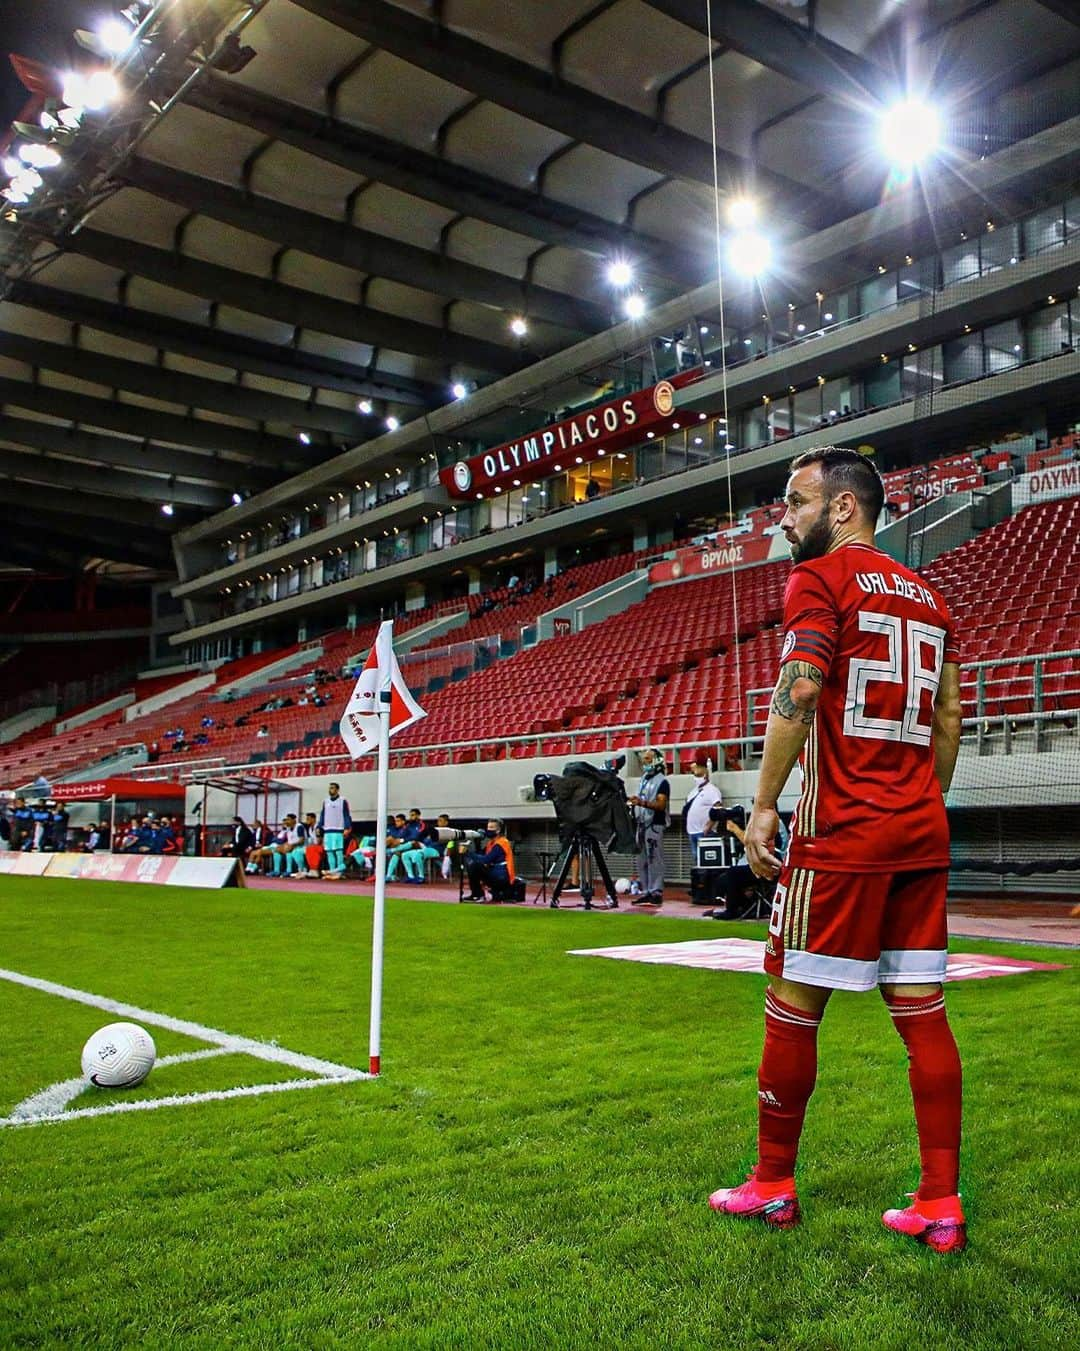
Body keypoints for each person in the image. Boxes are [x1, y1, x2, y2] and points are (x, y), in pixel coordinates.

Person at [708, 446, 966, 1254]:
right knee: (924, 1016)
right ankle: (940, 1201)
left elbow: (803, 687)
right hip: (920, 831)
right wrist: (920, 803)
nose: (784, 518)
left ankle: (773, 1184)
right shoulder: (930, 595)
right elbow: (951, 721)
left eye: (795, 502)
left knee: (791, 1003)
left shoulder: (818, 580)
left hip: (841, 836)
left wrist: (759, 805)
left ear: (843, 507)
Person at [627, 748, 670, 905]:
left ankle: (656, 891)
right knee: (642, 860)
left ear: (656, 760)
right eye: (644, 759)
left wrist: (642, 803)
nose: (644, 762)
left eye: (648, 759)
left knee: (654, 858)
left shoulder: (662, 781)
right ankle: (646, 890)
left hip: (655, 824)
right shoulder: (644, 779)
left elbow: (661, 804)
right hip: (642, 823)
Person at [683, 749, 723, 895]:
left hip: (704, 832)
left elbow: (718, 809)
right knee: (698, 863)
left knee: (707, 864)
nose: (695, 777)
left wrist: (709, 825)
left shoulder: (712, 790)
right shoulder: (693, 791)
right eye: (694, 774)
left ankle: (709, 891)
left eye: (697, 774)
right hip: (693, 832)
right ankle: (700, 888)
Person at [465, 820, 516, 902]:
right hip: (495, 873)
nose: (488, 830)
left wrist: (468, 853)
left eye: (491, 827)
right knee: (473, 864)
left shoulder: (502, 843)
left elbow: (485, 860)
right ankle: (476, 894)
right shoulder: (491, 843)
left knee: (475, 866)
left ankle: (477, 895)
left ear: (498, 830)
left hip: (502, 876)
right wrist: (477, 843)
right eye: (488, 827)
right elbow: (481, 855)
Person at [317, 781, 353, 879]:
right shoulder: (325, 801)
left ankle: (340, 872)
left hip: (338, 829)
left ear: (337, 789)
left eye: (332, 788)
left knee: (338, 852)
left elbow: (346, 814)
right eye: (330, 788)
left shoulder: (343, 800)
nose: (330, 790)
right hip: (327, 830)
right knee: (329, 852)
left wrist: (347, 827)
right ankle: (332, 871)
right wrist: (319, 826)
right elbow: (322, 815)